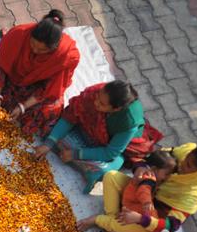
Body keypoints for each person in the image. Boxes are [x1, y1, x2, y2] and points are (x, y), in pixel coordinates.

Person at [77, 143, 197, 232]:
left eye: (188, 166)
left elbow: (171, 225)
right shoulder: (184, 152)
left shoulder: (195, 193)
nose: (182, 165)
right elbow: (152, 159)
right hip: (141, 192)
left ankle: (101, 221)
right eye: (187, 159)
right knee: (111, 177)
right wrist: (140, 168)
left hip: (150, 220)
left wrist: (139, 219)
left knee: (121, 223)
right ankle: (114, 228)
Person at [34, 80, 163, 193]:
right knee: (48, 123)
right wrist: (49, 144)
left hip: (106, 144)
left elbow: (110, 152)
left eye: (102, 104)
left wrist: (76, 154)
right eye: (97, 98)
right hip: (86, 129)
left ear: (116, 109)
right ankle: (66, 149)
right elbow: (71, 114)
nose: (95, 103)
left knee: (105, 172)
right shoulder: (96, 91)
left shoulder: (128, 121)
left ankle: (76, 158)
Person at [0, 9, 80, 137]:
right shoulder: (20, 34)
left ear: (53, 48)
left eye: (42, 50)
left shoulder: (66, 56)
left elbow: (51, 89)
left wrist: (23, 106)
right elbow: (2, 64)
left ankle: (15, 107)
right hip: (10, 77)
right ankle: (6, 100)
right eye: (32, 45)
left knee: (51, 112)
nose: (35, 51)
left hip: (35, 88)